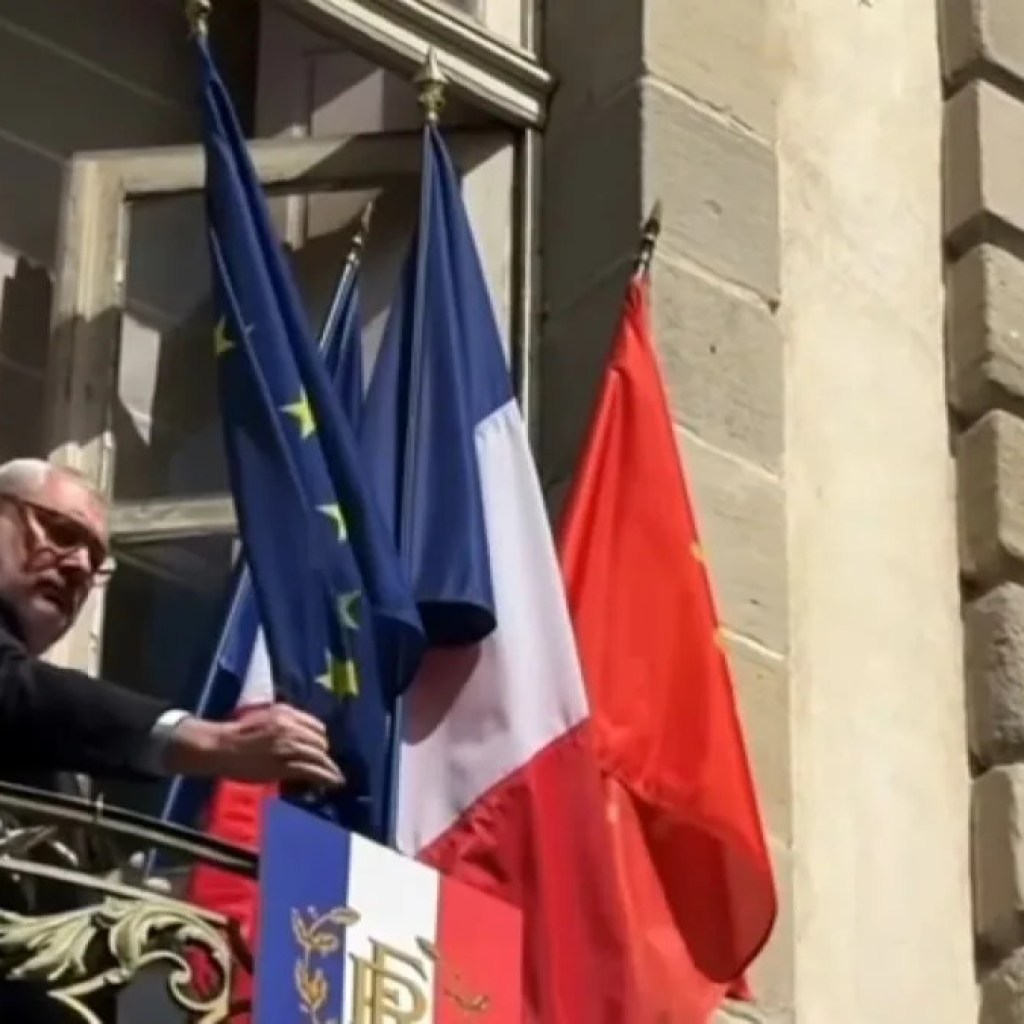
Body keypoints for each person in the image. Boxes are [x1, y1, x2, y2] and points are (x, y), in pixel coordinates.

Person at [0, 457, 343, 788]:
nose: (80, 566)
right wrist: (213, 741)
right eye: (61, 533)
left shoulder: (44, 754)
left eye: (96, 559)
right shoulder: (20, 700)